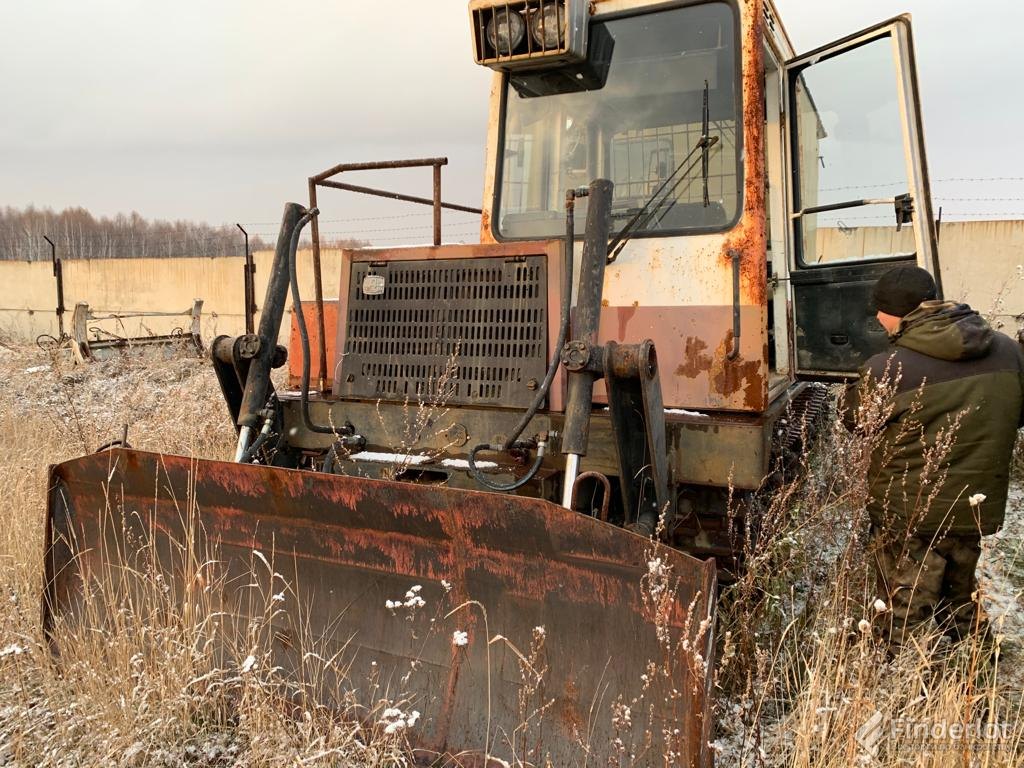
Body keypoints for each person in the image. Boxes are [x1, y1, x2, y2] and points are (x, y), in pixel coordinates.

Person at [847, 265, 1024, 647]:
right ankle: (975, 670)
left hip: (910, 511)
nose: (877, 318)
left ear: (899, 312)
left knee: (902, 607)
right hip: (973, 507)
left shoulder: (888, 369)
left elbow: (856, 422)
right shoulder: (1010, 352)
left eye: (880, 309)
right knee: (959, 598)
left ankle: (890, 683)